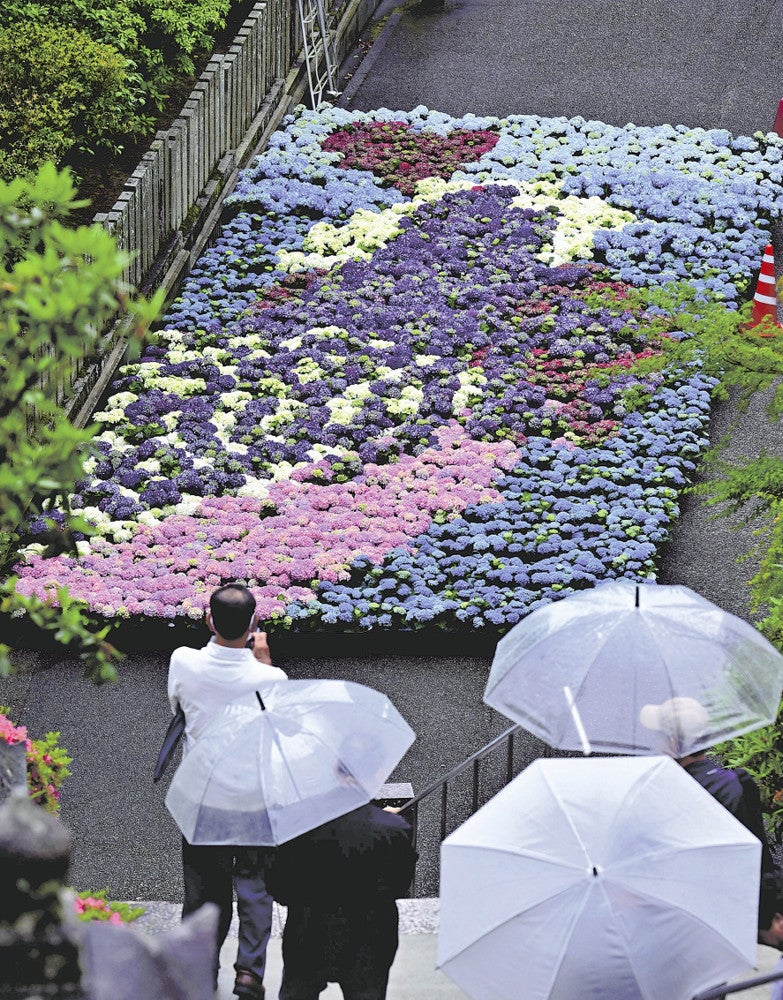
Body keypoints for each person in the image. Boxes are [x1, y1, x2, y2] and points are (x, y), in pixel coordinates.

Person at [168, 582, 288, 1000]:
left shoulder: (183, 662)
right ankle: (249, 974)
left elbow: (178, 708)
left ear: (208, 619)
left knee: (203, 890)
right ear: (255, 623)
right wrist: (264, 661)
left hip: (202, 797)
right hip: (254, 797)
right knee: (255, 887)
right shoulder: (271, 678)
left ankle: (199, 969)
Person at [641, 696, 777, 926]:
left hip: (686, 916)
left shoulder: (670, 793)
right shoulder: (734, 783)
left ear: (674, 743)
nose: (656, 742)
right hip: (736, 910)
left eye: (659, 736)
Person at [265, 800, 418, 1000]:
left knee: (298, 991)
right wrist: (388, 820)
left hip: (308, 933)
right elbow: (399, 884)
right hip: (370, 936)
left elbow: (278, 888)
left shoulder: (297, 830)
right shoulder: (392, 829)